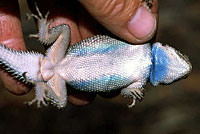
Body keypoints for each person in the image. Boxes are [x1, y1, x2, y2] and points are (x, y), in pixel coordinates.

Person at [0, 0, 158, 106]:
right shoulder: (142, 47)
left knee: (61, 102)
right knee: (65, 30)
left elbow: (125, 90)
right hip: (60, 59)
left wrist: (133, 92)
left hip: (56, 77)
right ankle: (44, 36)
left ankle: (41, 86)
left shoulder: (139, 81)